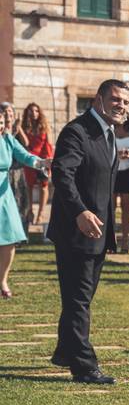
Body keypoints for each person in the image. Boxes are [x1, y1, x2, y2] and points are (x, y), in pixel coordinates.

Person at [47, 79, 129, 385]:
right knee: (78, 299)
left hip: (99, 233)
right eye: (116, 99)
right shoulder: (77, 131)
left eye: (126, 102)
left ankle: (64, 351)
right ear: (98, 99)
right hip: (75, 231)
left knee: (79, 297)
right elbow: (62, 173)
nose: (122, 106)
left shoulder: (110, 134)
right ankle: (84, 366)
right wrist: (79, 212)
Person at [0, 108, 51, 298]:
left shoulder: (8, 140)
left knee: (9, 240)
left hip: (4, 196)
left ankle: (2, 280)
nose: (0, 126)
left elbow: (26, 156)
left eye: (1, 123)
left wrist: (42, 163)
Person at [20, 103, 54, 225]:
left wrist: (49, 161)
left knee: (43, 186)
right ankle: (30, 211)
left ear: (39, 113)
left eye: (36, 111)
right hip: (30, 159)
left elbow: (49, 144)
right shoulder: (24, 126)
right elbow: (24, 144)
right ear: (27, 113)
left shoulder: (44, 126)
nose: (34, 113)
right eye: (31, 111)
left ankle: (41, 213)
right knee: (29, 186)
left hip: (43, 159)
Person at [0, 103, 30, 234]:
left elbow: (25, 146)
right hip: (7, 173)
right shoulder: (5, 133)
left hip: (16, 173)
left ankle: (19, 233)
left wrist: (18, 128)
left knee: (20, 203)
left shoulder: (15, 130)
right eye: (5, 111)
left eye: (10, 111)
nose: (8, 114)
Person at [111, 116, 129, 253]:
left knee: (126, 205)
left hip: (128, 172)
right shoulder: (110, 130)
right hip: (112, 172)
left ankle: (125, 240)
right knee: (111, 206)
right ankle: (111, 240)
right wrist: (115, 154)